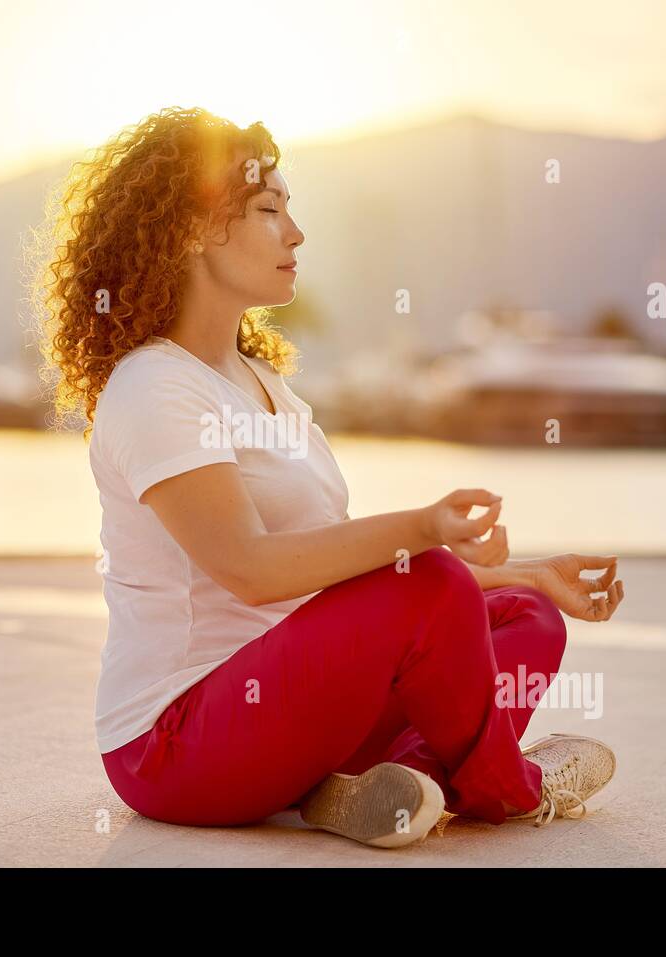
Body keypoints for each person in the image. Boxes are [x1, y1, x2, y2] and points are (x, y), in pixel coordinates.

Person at [33, 106, 624, 849]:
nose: (295, 232)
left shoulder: (264, 384)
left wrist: (528, 574)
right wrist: (423, 530)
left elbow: (328, 579)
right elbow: (249, 570)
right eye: (267, 210)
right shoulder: (154, 386)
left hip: (290, 710)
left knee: (522, 615)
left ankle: (386, 789)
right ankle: (511, 789)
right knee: (433, 581)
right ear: (189, 229)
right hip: (177, 743)